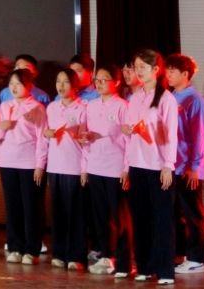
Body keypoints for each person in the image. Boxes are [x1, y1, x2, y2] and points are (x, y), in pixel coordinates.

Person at [124, 49, 180, 285]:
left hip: (157, 165)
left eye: (143, 67)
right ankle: (144, 266)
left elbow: (171, 135)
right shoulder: (135, 97)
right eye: (136, 67)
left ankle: (165, 270)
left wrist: (168, 165)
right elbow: (128, 134)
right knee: (140, 218)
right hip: (136, 164)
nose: (138, 71)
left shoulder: (166, 99)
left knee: (162, 219)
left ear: (156, 70)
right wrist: (126, 165)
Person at [0, 68, 47, 265]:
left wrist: (39, 165)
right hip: (8, 161)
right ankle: (14, 247)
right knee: (12, 206)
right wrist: (1, 128)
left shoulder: (37, 107)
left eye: (19, 84)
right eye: (12, 84)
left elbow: (42, 138)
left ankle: (31, 249)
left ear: (29, 86)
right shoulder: (5, 106)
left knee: (30, 207)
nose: (14, 88)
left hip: (28, 163)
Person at [84, 64, 132, 277]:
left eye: (105, 79)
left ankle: (123, 260)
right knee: (100, 216)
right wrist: (86, 140)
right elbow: (86, 135)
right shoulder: (91, 106)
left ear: (117, 82)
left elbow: (129, 140)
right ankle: (106, 255)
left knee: (118, 216)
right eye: (97, 79)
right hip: (96, 165)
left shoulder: (123, 106)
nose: (99, 83)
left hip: (115, 167)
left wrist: (126, 168)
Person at [165, 53, 204, 276]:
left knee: (193, 213)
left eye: (173, 71)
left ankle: (196, 258)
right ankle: (181, 254)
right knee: (176, 213)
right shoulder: (171, 96)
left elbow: (199, 135)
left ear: (185, 74)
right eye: (167, 70)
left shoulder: (194, 99)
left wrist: (194, 166)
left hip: (188, 167)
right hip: (173, 164)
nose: (168, 74)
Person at [45, 68, 88, 271]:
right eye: (58, 81)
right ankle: (59, 253)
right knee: (58, 212)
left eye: (66, 82)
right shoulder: (52, 107)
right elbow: (45, 133)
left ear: (75, 85)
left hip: (74, 166)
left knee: (75, 214)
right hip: (55, 166)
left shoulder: (83, 108)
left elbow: (87, 141)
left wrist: (84, 169)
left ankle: (76, 255)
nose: (61, 86)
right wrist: (47, 133)